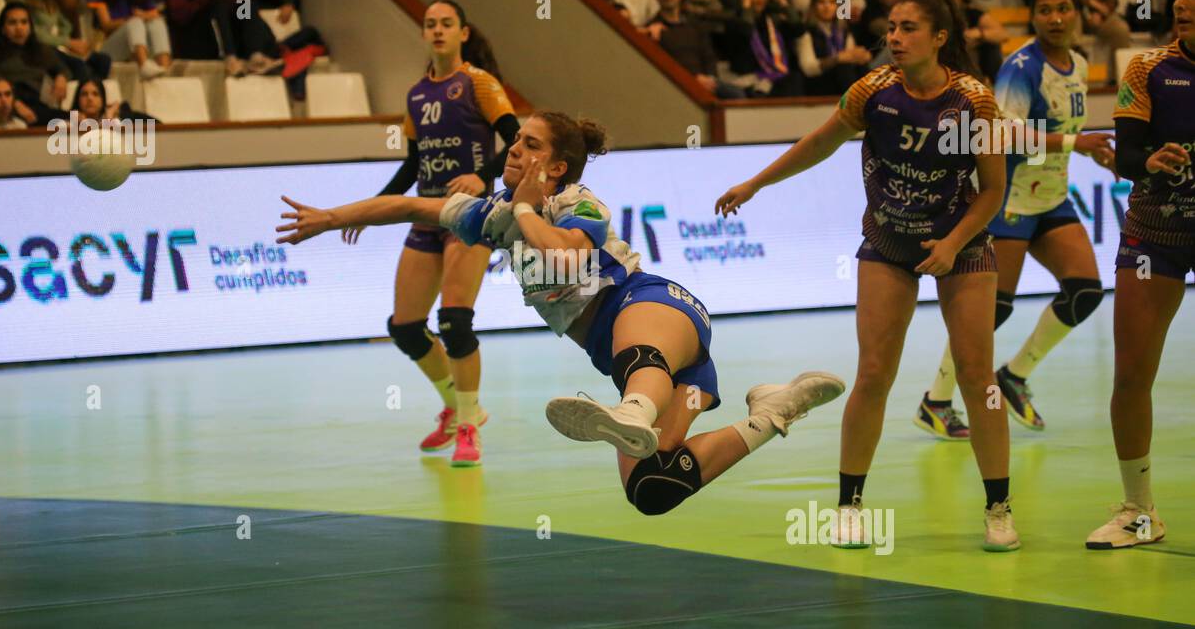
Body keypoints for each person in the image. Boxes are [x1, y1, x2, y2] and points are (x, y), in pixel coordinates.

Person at [277, 109, 846, 516]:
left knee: (635, 369)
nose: (514, 151)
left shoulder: (577, 203)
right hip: (638, 360)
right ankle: (772, 412)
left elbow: (568, 257)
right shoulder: (495, 213)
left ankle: (632, 410)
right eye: (515, 142)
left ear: (555, 166)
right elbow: (408, 204)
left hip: (653, 309)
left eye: (528, 145)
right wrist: (330, 215)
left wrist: (524, 210)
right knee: (652, 488)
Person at [715, 0, 1019, 552]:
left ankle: (998, 507)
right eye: (891, 28)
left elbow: (995, 190)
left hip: (962, 243)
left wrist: (952, 243)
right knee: (874, 373)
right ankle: (849, 504)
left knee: (980, 380)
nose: (894, 39)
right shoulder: (874, 90)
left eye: (907, 29)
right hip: (888, 242)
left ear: (939, 38)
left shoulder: (974, 103)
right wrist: (755, 183)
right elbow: (819, 144)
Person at [918, 0, 1115, 440]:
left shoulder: (1081, 65)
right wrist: (1073, 144)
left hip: (1051, 197)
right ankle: (937, 400)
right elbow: (1004, 135)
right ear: (1033, 18)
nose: (1055, 18)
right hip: (1008, 199)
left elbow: (1066, 131)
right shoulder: (1020, 69)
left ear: (1078, 15)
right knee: (992, 310)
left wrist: (1091, 151)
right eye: (1044, 10)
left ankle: (1015, 375)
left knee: (1084, 291)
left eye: (1064, 8)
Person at [342, 0, 519, 468]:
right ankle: (461, 408)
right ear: (424, 34)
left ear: (463, 32)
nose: (438, 30)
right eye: (430, 25)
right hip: (426, 217)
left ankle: (467, 426)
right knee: (403, 327)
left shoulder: (479, 83)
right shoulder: (418, 94)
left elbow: (517, 140)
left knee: (455, 322)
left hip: (468, 217)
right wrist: (370, 208)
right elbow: (412, 165)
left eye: (446, 24)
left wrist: (483, 175)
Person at [1091, 0, 1195, 550]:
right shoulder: (1148, 68)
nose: (1179, 3)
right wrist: (1149, 161)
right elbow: (1128, 153)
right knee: (1131, 375)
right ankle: (1139, 511)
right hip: (1155, 234)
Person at [7, 0, 109, 83]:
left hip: (60, 46)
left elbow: (65, 24)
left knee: (103, 61)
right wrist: (67, 42)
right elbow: (34, 34)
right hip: (39, 49)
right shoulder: (18, 0)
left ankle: (94, 97)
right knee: (80, 68)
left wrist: (66, 41)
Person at [644, 0, 743, 98]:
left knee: (740, 95)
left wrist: (709, 79)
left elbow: (708, 56)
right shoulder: (652, 29)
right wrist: (693, 79)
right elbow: (660, 69)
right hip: (676, 86)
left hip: (705, 82)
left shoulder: (695, 25)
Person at [793, 0, 871, 96]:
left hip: (841, 78)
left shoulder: (843, 30)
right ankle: (855, 102)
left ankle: (871, 102)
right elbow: (808, 68)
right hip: (818, 83)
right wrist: (836, 59)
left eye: (832, 2)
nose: (827, 6)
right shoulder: (805, 32)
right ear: (813, 7)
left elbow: (850, 56)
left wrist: (862, 56)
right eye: (821, 2)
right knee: (843, 67)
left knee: (863, 67)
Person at [934, 0, 1006, 84]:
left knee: (991, 44)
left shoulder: (971, 11)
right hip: (942, 64)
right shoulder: (932, 13)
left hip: (969, 68)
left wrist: (979, 34)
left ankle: (989, 82)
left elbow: (1002, 34)